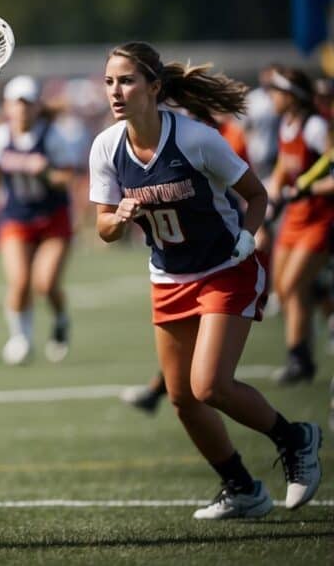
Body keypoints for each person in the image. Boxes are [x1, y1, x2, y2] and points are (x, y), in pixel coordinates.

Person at [89, 41, 322, 520]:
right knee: (181, 399)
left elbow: (256, 197)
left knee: (209, 386)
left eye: (127, 80)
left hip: (224, 269)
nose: (116, 90)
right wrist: (121, 217)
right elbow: (104, 228)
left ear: (154, 87)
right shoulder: (106, 147)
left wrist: (247, 238)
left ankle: (297, 439)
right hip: (168, 277)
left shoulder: (196, 139)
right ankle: (242, 487)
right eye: (110, 81)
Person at [0, 75, 79, 365]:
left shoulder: (52, 136)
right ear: (7, 106)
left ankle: (59, 319)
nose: (21, 110)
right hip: (17, 217)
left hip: (52, 218)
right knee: (19, 282)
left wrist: (45, 172)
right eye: (16, 104)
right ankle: (21, 338)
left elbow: (68, 177)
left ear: (36, 107)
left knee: (46, 283)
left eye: (27, 104)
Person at [264, 67, 334, 385]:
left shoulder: (316, 127)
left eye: (276, 91)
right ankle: (301, 353)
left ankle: (300, 356)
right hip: (294, 218)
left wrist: (310, 188)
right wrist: (276, 190)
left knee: (293, 285)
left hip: (320, 219)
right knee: (282, 286)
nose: (271, 97)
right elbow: (283, 163)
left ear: (291, 95)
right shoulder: (286, 124)